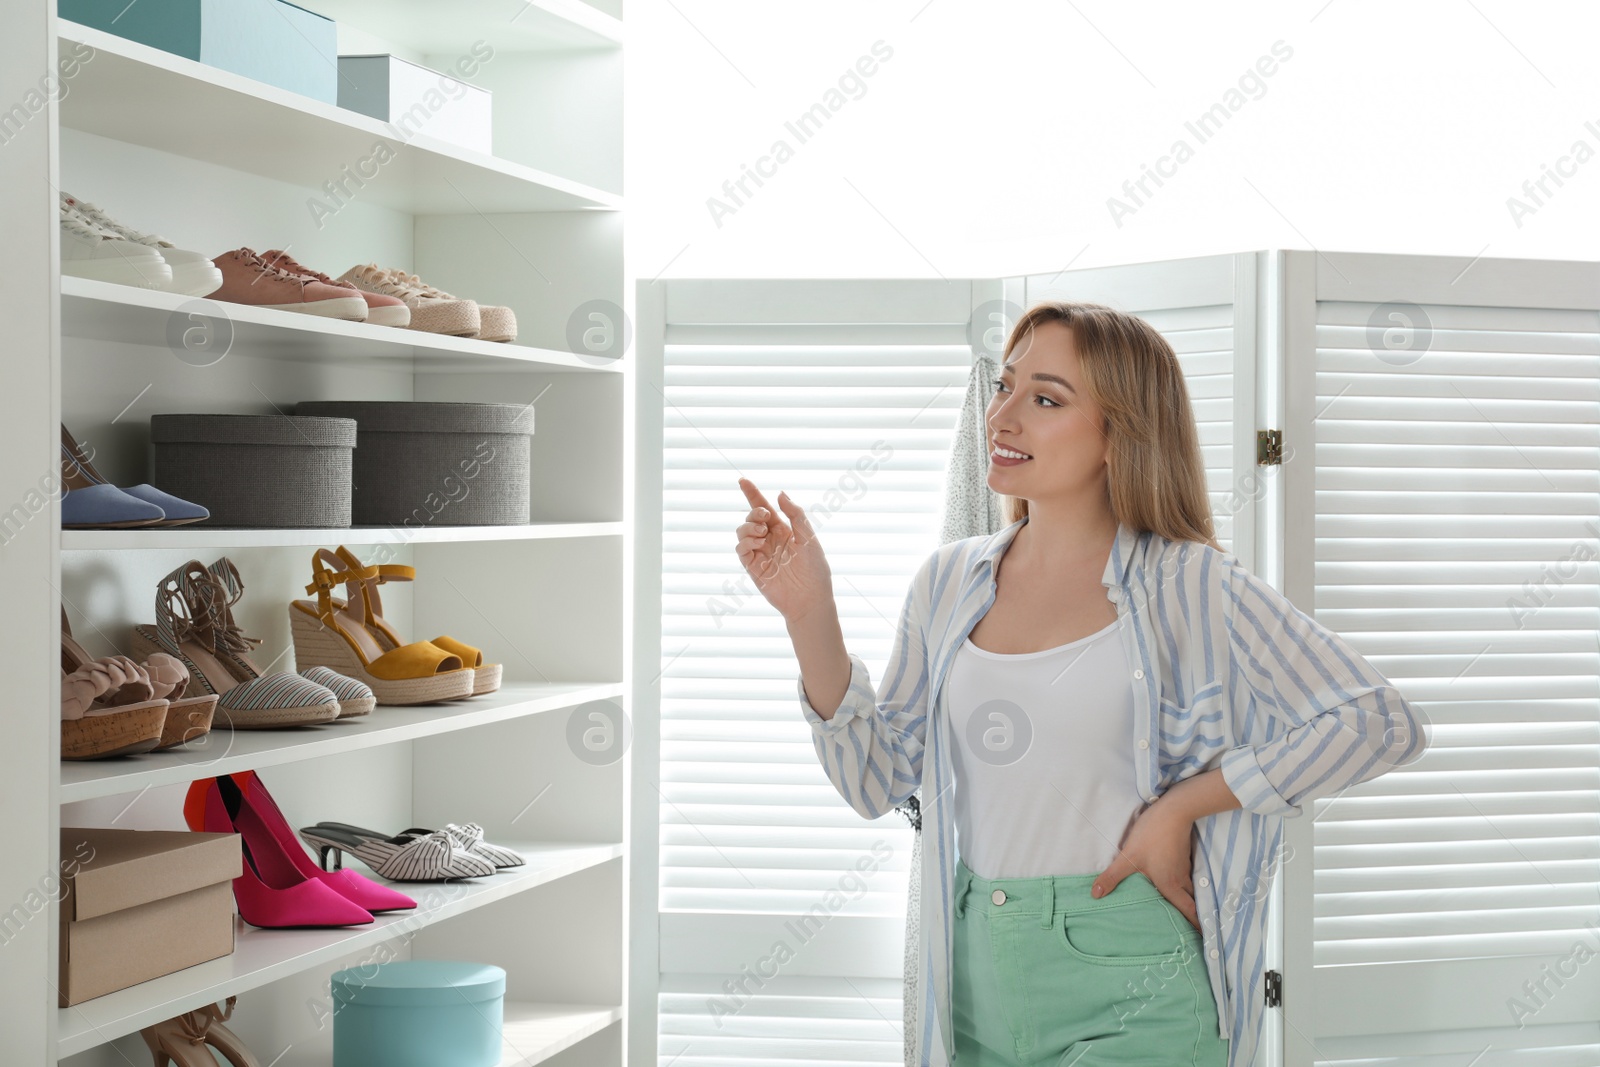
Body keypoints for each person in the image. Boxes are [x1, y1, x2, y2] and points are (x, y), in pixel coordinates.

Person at [734, 300, 1428, 1067]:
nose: (1003, 415)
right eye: (1005, 387)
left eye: (1045, 398)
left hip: (1133, 969)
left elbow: (1379, 720)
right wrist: (809, 612)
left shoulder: (1190, 583)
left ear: (1117, 434)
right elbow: (876, 780)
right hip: (974, 973)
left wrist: (1187, 804)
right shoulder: (948, 582)